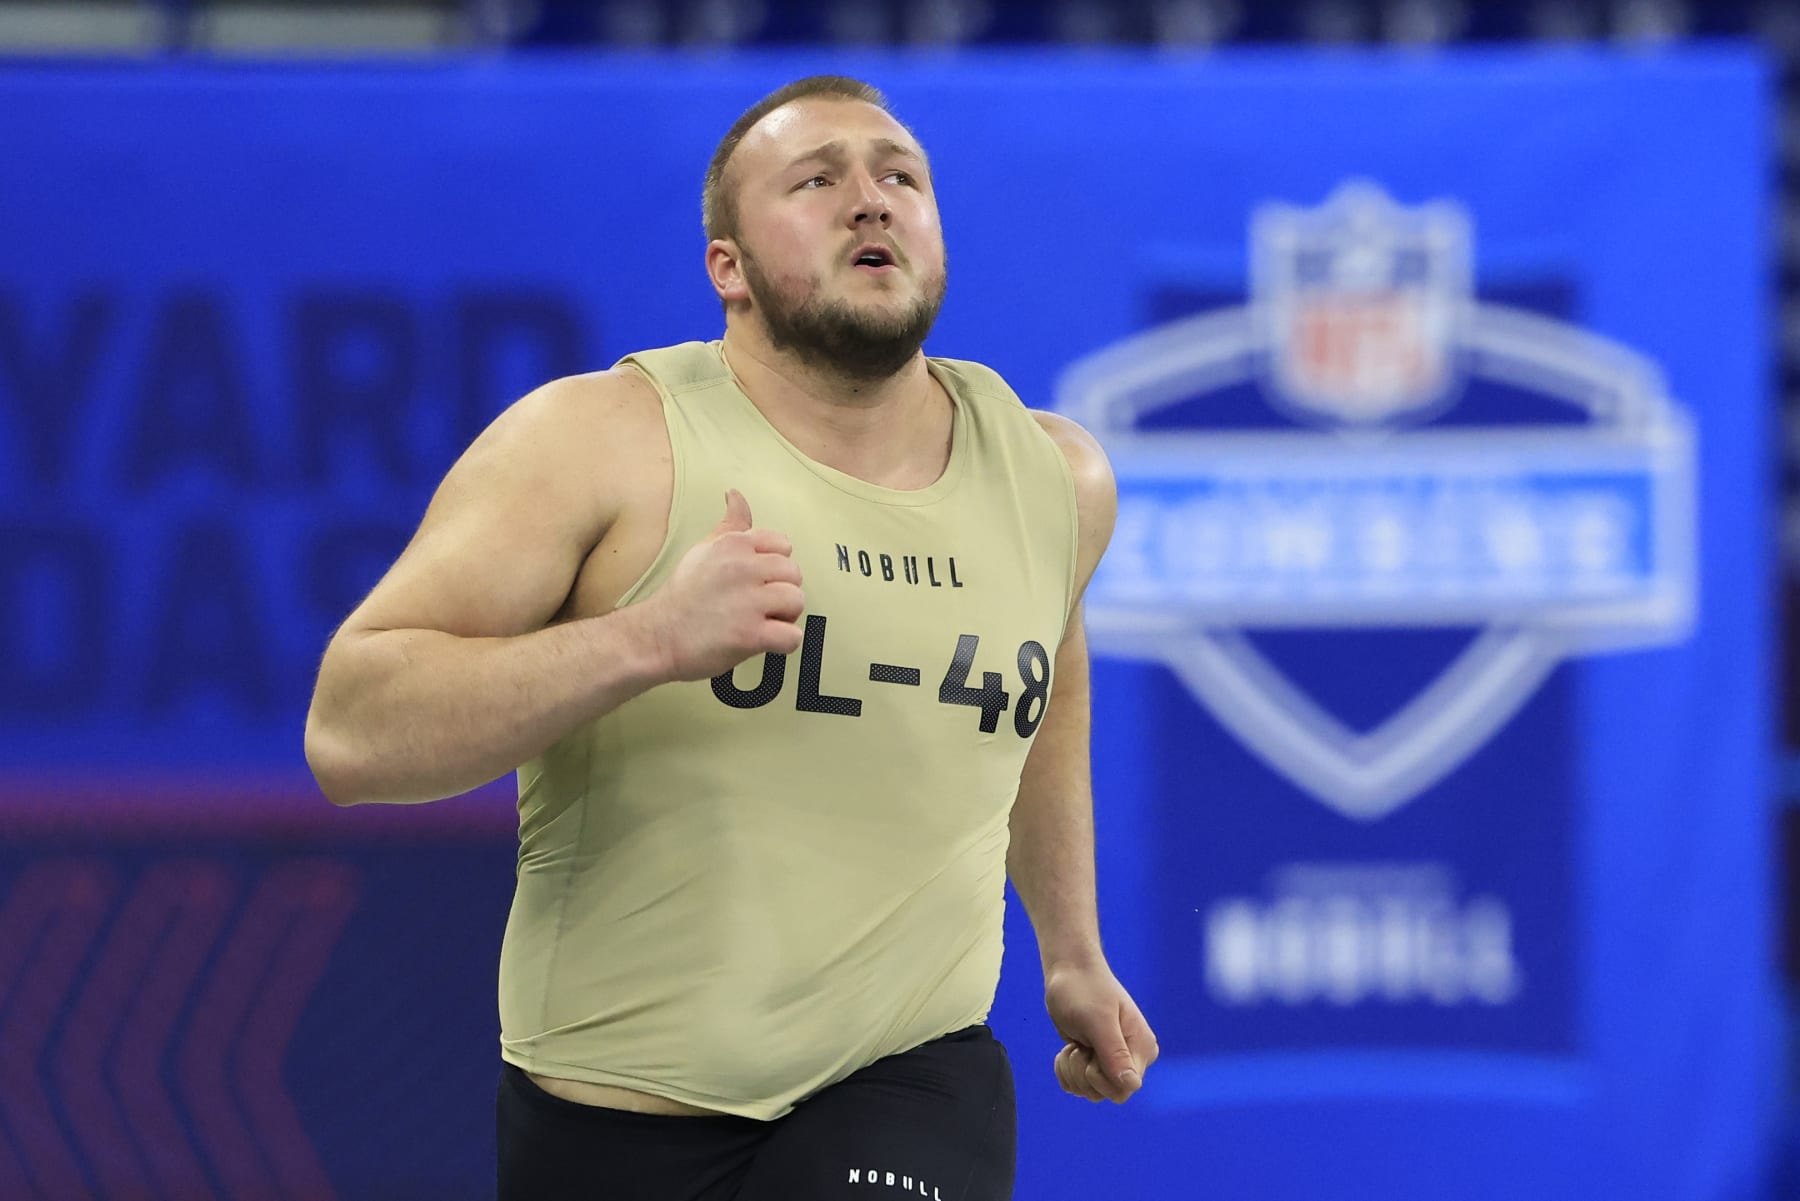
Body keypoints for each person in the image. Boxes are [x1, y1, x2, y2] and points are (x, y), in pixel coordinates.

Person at [303, 74, 1156, 1201]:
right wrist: (645, 639)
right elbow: (353, 732)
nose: (871, 200)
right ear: (728, 269)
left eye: (900, 176)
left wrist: (1072, 950)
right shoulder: (599, 443)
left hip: (907, 1070)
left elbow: (1045, 688)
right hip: (612, 1110)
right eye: (817, 181)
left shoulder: (1056, 475)